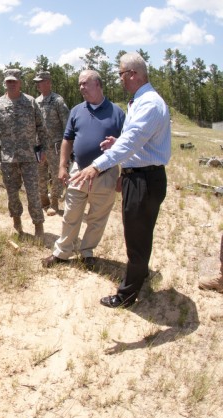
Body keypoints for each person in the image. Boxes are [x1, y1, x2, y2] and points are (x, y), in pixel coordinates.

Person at [70, 52, 171, 308]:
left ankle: (127, 294)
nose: (120, 79)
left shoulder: (148, 103)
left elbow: (131, 141)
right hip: (141, 177)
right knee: (141, 232)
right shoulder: (140, 101)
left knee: (136, 236)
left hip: (143, 180)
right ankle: (142, 273)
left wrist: (96, 166)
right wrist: (119, 144)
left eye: (121, 74)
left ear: (133, 74)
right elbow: (136, 140)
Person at [42, 70, 125, 269]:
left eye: (85, 83)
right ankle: (62, 252)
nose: (81, 88)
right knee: (71, 213)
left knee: (97, 217)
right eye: (79, 84)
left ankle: (87, 252)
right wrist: (63, 166)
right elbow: (67, 140)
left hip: (106, 173)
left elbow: (127, 145)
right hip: (78, 171)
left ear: (98, 85)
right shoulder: (77, 110)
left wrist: (124, 174)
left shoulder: (117, 113)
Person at [0, 68, 48, 239]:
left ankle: (38, 225)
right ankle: (17, 222)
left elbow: (41, 127)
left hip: (29, 157)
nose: (11, 84)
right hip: (8, 158)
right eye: (8, 81)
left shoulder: (30, 102)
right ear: (5, 83)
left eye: (14, 81)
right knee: (12, 193)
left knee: (33, 192)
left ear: (20, 83)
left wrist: (42, 149)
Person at [34, 71, 70, 216]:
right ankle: (44, 202)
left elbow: (67, 124)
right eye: (36, 82)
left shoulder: (57, 101)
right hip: (39, 147)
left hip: (55, 147)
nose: (37, 84)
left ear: (48, 82)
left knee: (56, 176)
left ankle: (54, 203)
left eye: (40, 81)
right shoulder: (36, 101)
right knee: (40, 175)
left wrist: (67, 148)